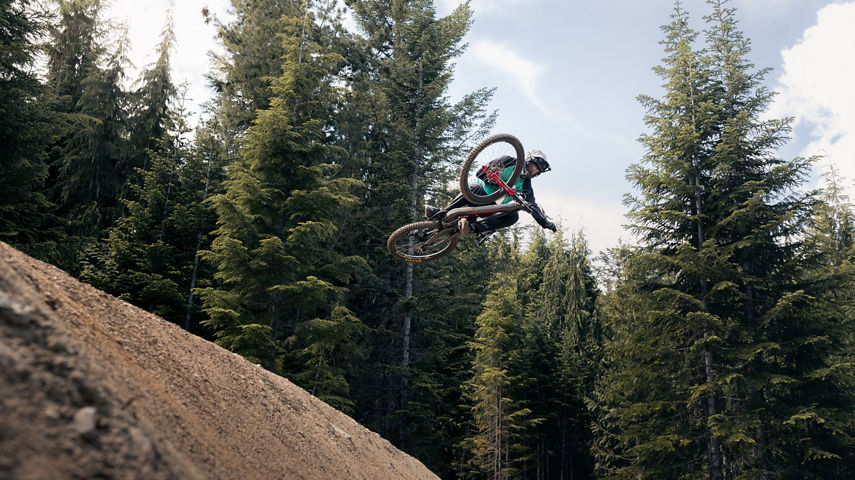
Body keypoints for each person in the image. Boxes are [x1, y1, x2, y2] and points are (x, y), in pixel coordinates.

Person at [424, 149, 557, 244]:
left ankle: (473, 228)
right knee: (474, 187)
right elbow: (480, 173)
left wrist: (546, 223)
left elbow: (532, 205)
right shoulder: (508, 161)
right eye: (533, 166)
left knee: (513, 216)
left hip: (490, 207)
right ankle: (442, 212)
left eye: (535, 171)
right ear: (528, 161)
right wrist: (493, 181)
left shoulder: (525, 184)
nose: (531, 171)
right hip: (478, 194)